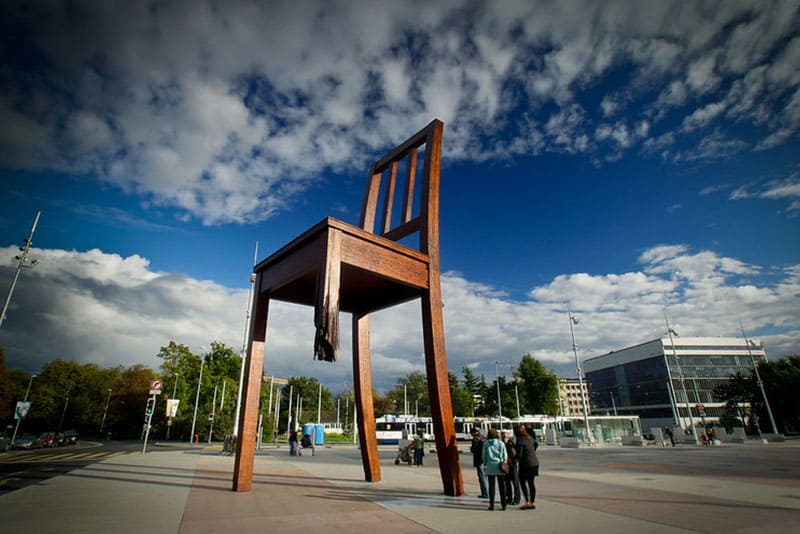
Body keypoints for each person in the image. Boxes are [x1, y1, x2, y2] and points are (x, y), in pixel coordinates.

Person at [481, 428, 508, 511]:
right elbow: (504, 455)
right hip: (499, 465)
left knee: (491, 486)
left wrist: (485, 464)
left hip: (490, 465)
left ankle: (491, 504)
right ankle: (503, 504)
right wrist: (504, 462)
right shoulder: (500, 443)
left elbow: (484, 455)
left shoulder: (486, 443)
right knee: (502, 486)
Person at [514, 425, 539, 510]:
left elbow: (519, 454)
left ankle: (527, 501)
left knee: (522, 482)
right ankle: (533, 501)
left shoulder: (520, 441)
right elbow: (536, 444)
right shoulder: (530, 438)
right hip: (534, 463)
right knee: (531, 483)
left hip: (525, 464)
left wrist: (514, 460)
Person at [501, 430, 520, 505]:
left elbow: (518, 451)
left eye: (505, 435)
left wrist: (515, 460)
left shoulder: (512, 442)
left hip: (512, 464)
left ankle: (517, 498)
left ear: (508, 435)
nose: (504, 436)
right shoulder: (501, 443)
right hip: (505, 465)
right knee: (507, 482)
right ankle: (509, 498)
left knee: (515, 482)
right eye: (503, 435)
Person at [470, 428, 489, 498]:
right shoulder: (484, 438)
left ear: (473, 433)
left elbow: (474, 449)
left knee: (481, 477)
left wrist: (471, 449)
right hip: (485, 460)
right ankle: (487, 491)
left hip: (479, 460)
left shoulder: (475, 440)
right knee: (486, 476)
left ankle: (485, 493)